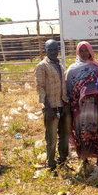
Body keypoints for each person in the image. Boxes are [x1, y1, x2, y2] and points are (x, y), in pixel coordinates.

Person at [66, 41, 98, 169]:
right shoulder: (72, 70)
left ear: (90, 51)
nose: (84, 53)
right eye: (81, 51)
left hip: (95, 105)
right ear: (78, 52)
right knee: (82, 131)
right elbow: (69, 88)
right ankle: (84, 158)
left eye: (86, 50)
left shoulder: (97, 68)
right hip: (80, 107)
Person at [35, 39, 71, 171]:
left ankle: (63, 160)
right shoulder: (42, 66)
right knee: (52, 138)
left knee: (65, 135)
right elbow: (40, 87)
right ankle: (51, 164)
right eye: (50, 49)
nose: (53, 52)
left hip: (63, 105)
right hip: (51, 107)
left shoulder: (59, 64)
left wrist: (66, 104)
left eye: (55, 49)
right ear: (45, 51)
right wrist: (47, 107)